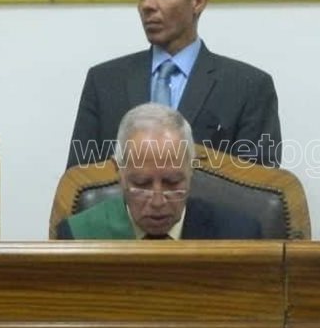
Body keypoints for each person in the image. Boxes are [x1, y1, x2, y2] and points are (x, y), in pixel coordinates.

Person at [66, 0, 281, 168]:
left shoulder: (247, 87)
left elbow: (259, 184)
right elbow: (79, 180)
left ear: (198, 2)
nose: (147, 5)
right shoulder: (105, 82)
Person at [57, 103, 263, 240]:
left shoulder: (239, 236)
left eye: (172, 183)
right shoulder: (79, 236)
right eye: (141, 184)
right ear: (119, 171)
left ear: (191, 169)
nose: (157, 202)